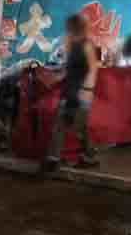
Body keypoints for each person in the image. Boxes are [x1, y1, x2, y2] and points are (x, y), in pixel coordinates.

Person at [41, 15, 100, 173]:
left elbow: (92, 70)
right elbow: (70, 69)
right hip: (71, 89)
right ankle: (55, 159)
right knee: (64, 123)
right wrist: (56, 78)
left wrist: (86, 90)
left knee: (78, 126)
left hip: (81, 92)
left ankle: (87, 156)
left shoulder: (86, 45)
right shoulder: (72, 44)